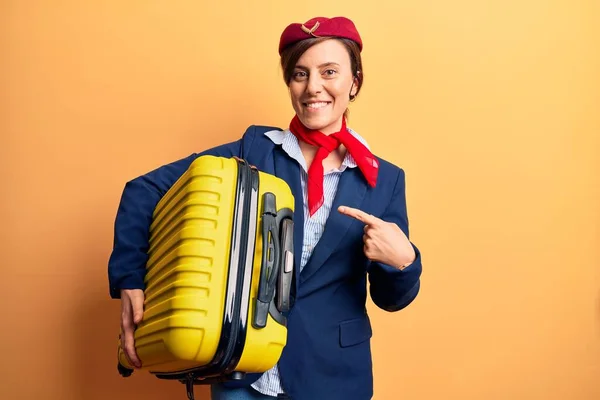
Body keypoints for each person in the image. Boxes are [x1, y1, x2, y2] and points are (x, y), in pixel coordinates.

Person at [108, 16, 422, 400]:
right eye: (300, 74)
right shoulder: (254, 150)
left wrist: (404, 261)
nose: (313, 87)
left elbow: (391, 299)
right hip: (243, 374)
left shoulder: (385, 180)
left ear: (354, 81)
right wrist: (130, 278)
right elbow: (144, 190)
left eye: (330, 72)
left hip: (334, 379)